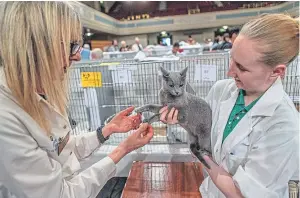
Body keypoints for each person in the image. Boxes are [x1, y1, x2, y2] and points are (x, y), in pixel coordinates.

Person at [0, 2, 153, 198]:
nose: (78, 57)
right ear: (37, 46)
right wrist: (124, 148)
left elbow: (63, 150)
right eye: (72, 46)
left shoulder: (38, 91)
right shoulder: (6, 117)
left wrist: (108, 129)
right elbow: (61, 194)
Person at [160, 13, 299, 197]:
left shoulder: (284, 127)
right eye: (232, 58)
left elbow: (242, 194)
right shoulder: (222, 90)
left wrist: (201, 153)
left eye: (241, 67)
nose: (229, 71)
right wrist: (180, 120)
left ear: (277, 71)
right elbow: (201, 130)